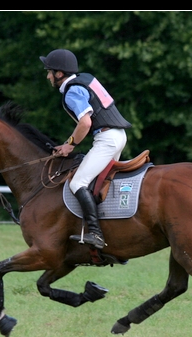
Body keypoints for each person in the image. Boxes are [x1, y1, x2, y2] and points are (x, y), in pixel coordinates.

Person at [40, 48, 132, 250]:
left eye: (49, 71)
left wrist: (69, 144)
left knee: (78, 182)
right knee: (98, 184)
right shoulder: (85, 79)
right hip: (117, 135)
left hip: (107, 138)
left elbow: (85, 123)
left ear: (59, 74)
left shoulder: (72, 91)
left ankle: (96, 235)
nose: (47, 76)